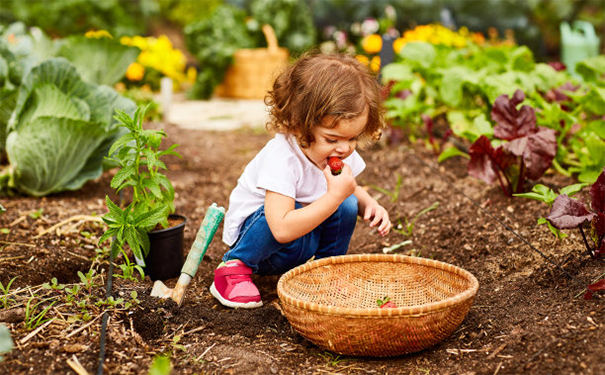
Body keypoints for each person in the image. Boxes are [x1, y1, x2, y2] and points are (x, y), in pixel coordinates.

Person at [210, 52, 392, 308]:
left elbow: (347, 188)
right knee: (307, 205)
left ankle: (327, 272)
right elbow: (281, 228)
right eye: (332, 139)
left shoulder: (338, 152)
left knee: (348, 203)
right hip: (265, 249)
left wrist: (368, 203)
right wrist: (335, 196)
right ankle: (233, 268)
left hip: (301, 239)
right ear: (298, 125)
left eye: (352, 138)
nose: (345, 149)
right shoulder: (281, 158)